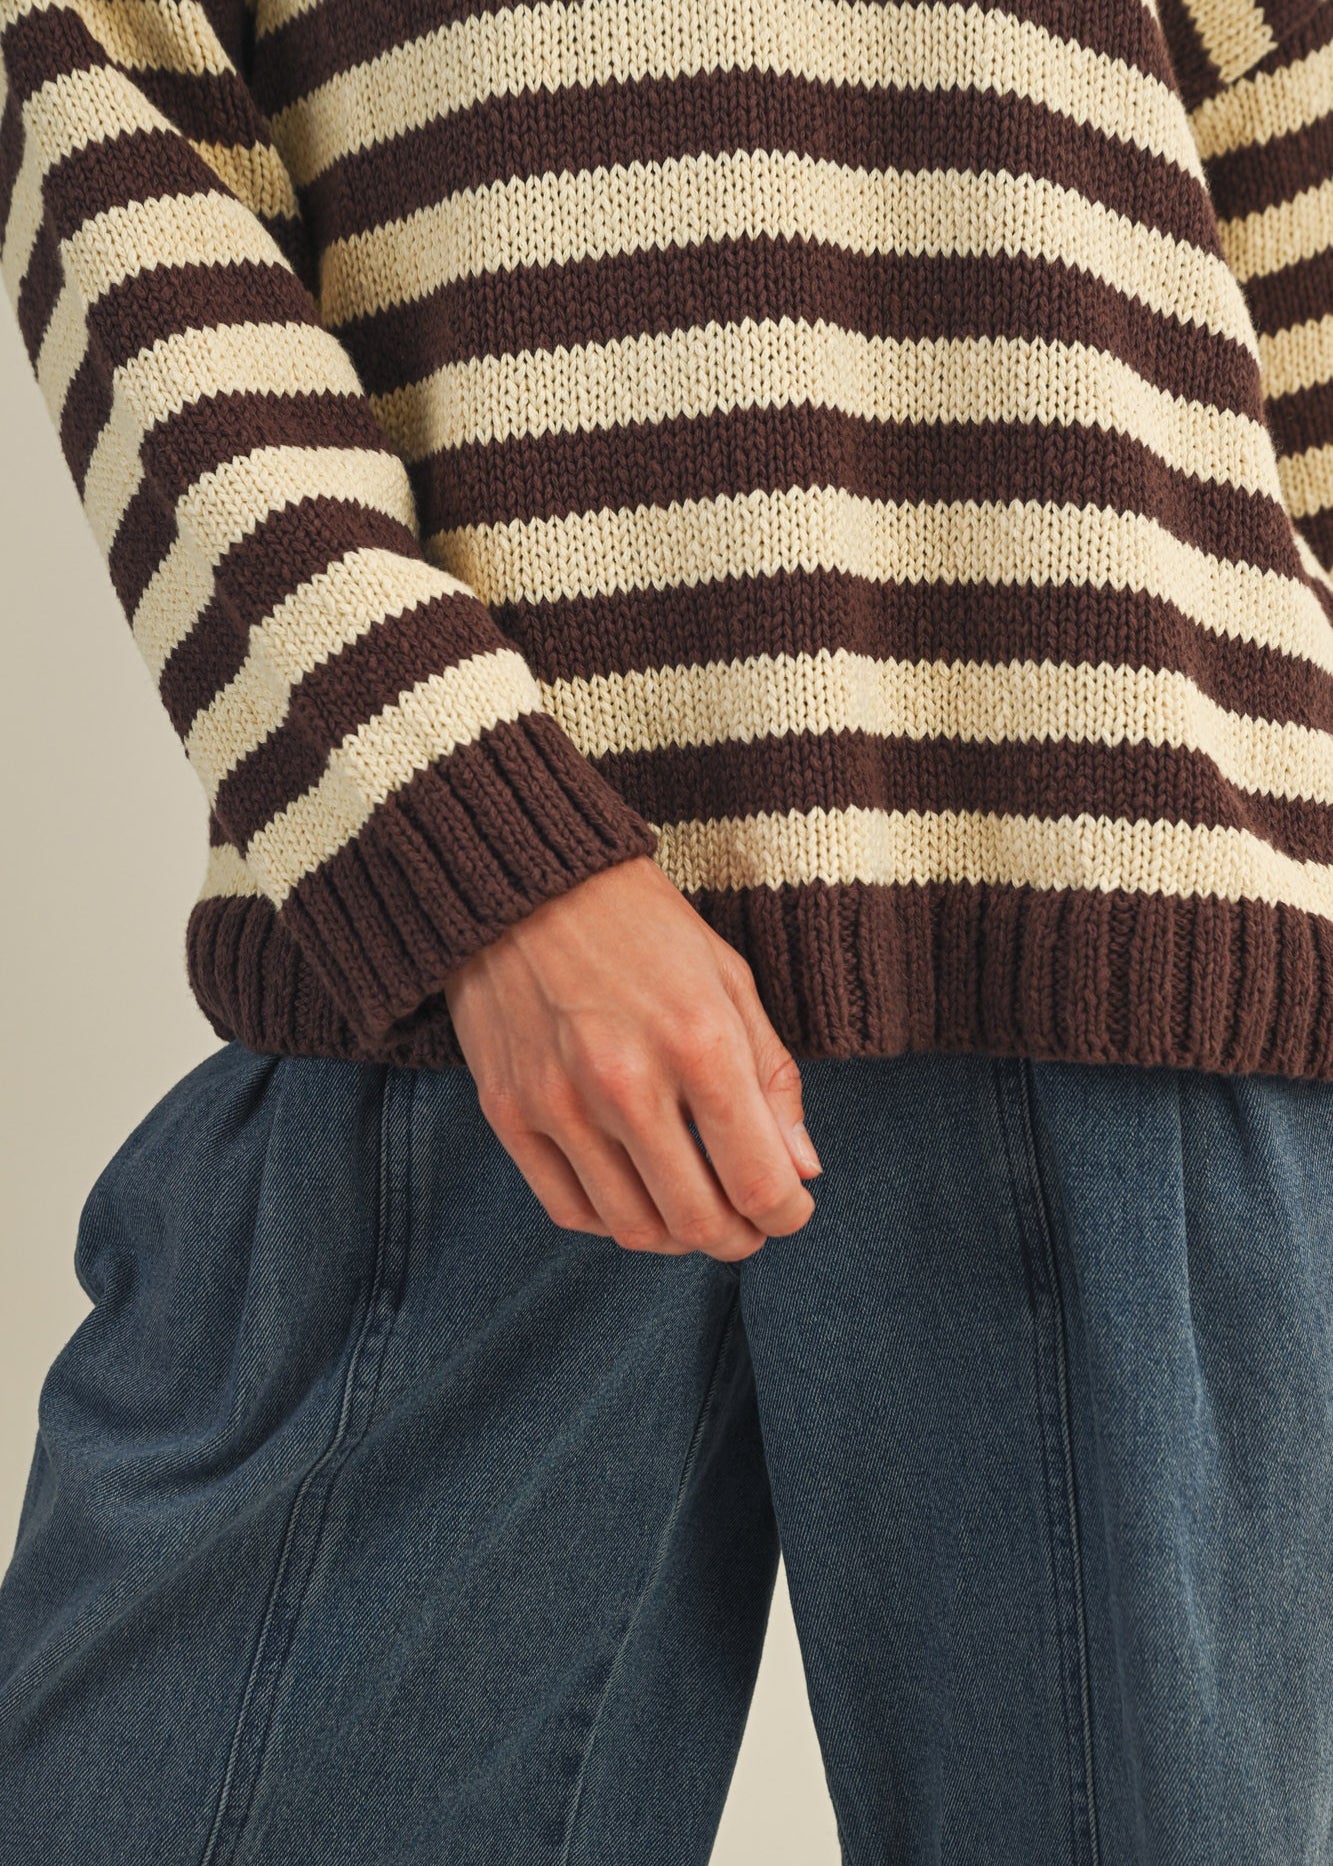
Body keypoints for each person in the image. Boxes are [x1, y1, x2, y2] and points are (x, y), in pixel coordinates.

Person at [2, 0, 1332, 1857]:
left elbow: (1305, 328)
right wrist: (477, 855)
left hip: (1145, 987)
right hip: (448, 1003)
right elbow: (118, 190)